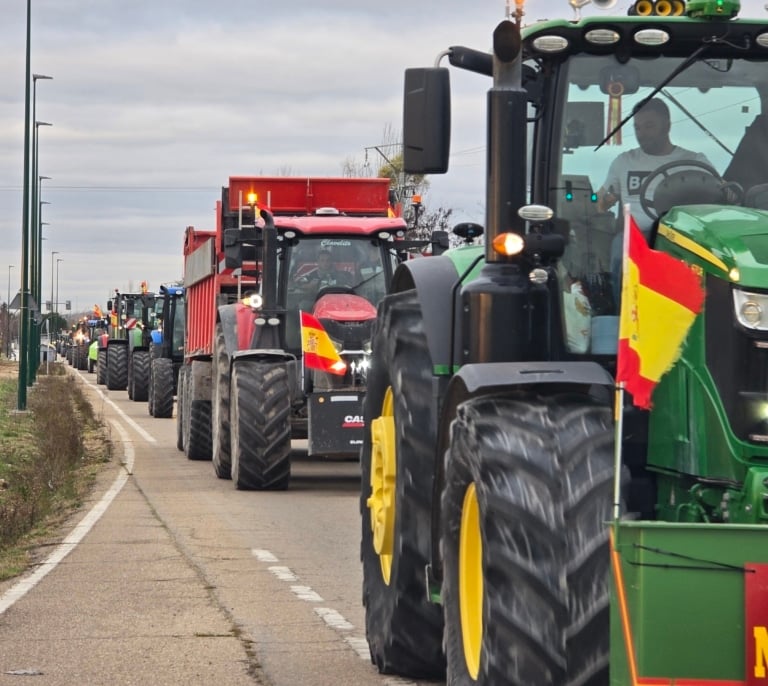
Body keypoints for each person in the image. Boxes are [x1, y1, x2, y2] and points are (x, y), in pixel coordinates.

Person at [597, 97, 712, 234]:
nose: (642, 134)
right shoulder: (624, 162)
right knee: (617, 253)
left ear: (667, 126)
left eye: (649, 126)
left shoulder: (695, 162)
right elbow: (601, 199)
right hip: (633, 241)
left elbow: (720, 193)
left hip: (680, 238)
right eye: (637, 128)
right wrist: (602, 201)